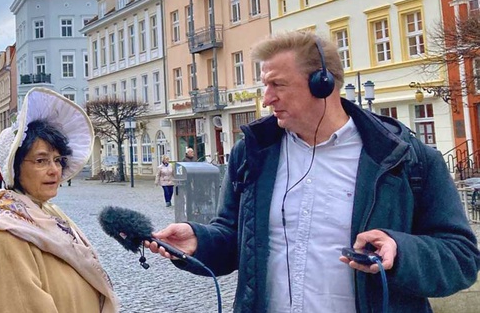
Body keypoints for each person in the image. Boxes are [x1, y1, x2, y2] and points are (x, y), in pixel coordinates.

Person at [147, 31, 480, 312]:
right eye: (265, 85)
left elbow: (461, 258)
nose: (266, 99)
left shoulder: (405, 159)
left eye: (278, 84)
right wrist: (198, 241)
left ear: (324, 84)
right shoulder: (252, 153)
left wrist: (400, 251)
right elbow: (235, 240)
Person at [0, 87, 118, 313]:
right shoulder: (3, 239)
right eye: (41, 160)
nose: (54, 170)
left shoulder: (51, 215)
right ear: (14, 168)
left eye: (57, 160)